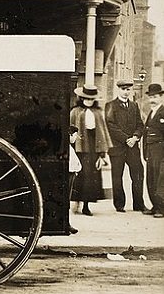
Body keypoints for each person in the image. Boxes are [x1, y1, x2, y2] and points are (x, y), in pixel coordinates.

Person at [105, 79, 148, 212]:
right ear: (118, 90)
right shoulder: (110, 105)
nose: (125, 92)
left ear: (131, 90)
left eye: (128, 89)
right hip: (117, 148)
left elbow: (140, 124)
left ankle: (139, 204)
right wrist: (126, 139)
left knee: (138, 174)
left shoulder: (134, 106)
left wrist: (135, 137)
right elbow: (111, 126)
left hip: (133, 147)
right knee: (117, 176)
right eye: (123, 89)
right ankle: (119, 205)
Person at [69, 84, 112, 216]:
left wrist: (102, 154)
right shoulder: (75, 111)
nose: (89, 101)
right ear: (81, 98)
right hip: (79, 148)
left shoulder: (98, 113)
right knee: (79, 176)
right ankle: (76, 202)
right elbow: (70, 129)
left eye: (91, 99)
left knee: (91, 178)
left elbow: (102, 133)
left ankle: (86, 205)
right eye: (86, 98)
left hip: (93, 147)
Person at [142, 83, 164, 218]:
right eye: (150, 97)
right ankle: (155, 205)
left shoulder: (162, 112)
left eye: (155, 97)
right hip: (151, 151)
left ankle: (161, 208)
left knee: (159, 180)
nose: (152, 100)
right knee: (150, 178)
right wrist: (145, 152)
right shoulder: (152, 111)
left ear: (161, 97)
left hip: (161, 152)